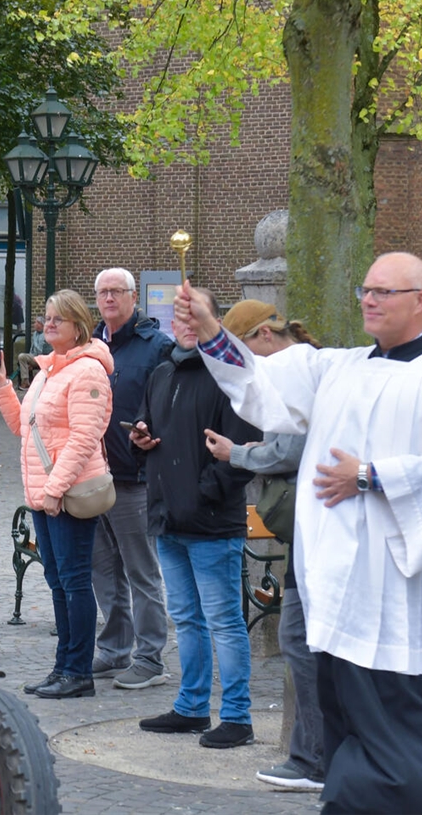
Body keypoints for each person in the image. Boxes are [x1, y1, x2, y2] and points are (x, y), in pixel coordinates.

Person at [177, 253, 422, 811]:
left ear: (421, 300)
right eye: (366, 289)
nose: (370, 299)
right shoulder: (336, 367)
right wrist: (211, 329)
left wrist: (368, 475)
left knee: (413, 733)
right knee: (349, 721)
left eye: (385, 291)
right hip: (338, 591)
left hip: (403, 592)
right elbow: (259, 384)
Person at [203, 299, 325, 792]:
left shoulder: (292, 369)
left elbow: (290, 449)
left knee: (300, 637)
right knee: (300, 636)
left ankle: (315, 759)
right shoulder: (305, 363)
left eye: (248, 357)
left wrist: (238, 454)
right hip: (317, 527)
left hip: (319, 526)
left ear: (265, 337)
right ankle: (315, 755)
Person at [133, 288, 260, 749]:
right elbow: (148, 426)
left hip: (210, 522)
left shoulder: (230, 378)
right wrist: (140, 438)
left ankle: (237, 716)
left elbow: (243, 452)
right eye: (179, 317)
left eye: (194, 316)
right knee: (186, 619)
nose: (185, 324)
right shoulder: (162, 372)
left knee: (223, 620)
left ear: (213, 321)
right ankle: (191, 707)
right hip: (168, 518)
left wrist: (204, 494)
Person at [0, 289, 113, 699]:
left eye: (60, 318)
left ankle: (78, 672)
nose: (50, 323)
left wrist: (56, 489)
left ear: (79, 326)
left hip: (68, 493)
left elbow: (84, 438)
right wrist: (2, 384)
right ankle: (63, 667)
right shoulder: (49, 371)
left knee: (74, 581)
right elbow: (23, 428)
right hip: (44, 494)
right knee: (58, 580)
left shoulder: (87, 371)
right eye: (47, 316)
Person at [89, 268, 173, 689]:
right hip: (93, 475)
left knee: (141, 572)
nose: (109, 298)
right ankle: (114, 648)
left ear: (133, 296)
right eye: (102, 292)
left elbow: (168, 405)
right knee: (103, 570)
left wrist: (149, 432)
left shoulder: (157, 346)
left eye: (116, 292)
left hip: (134, 476)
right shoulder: (91, 345)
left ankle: (150, 657)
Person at [16, 316, 52, 388]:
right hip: (35, 357)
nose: (34, 324)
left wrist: (34, 342)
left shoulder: (45, 335)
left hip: (42, 358)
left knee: (22, 356)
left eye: (36, 323)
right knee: (23, 358)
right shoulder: (35, 334)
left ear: (41, 324)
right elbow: (32, 349)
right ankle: (25, 381)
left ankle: (25, 381)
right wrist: (30, 361)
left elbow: (40, 351)